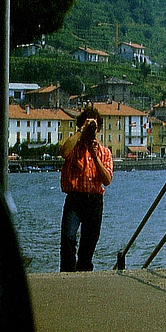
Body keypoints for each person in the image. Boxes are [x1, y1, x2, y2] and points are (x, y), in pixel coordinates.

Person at [59, 106, 113, 272]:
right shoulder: (74, 149)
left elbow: (107, 180)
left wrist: (95, 156)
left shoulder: (104, 152)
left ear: (99, 129)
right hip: (75, 198)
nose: (91, 129)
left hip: (95, 201)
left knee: (88, 244)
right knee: (68, 238)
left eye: (94, 126)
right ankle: (67, 273)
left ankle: (84, 276)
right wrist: (82, 129)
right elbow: (63, 151)